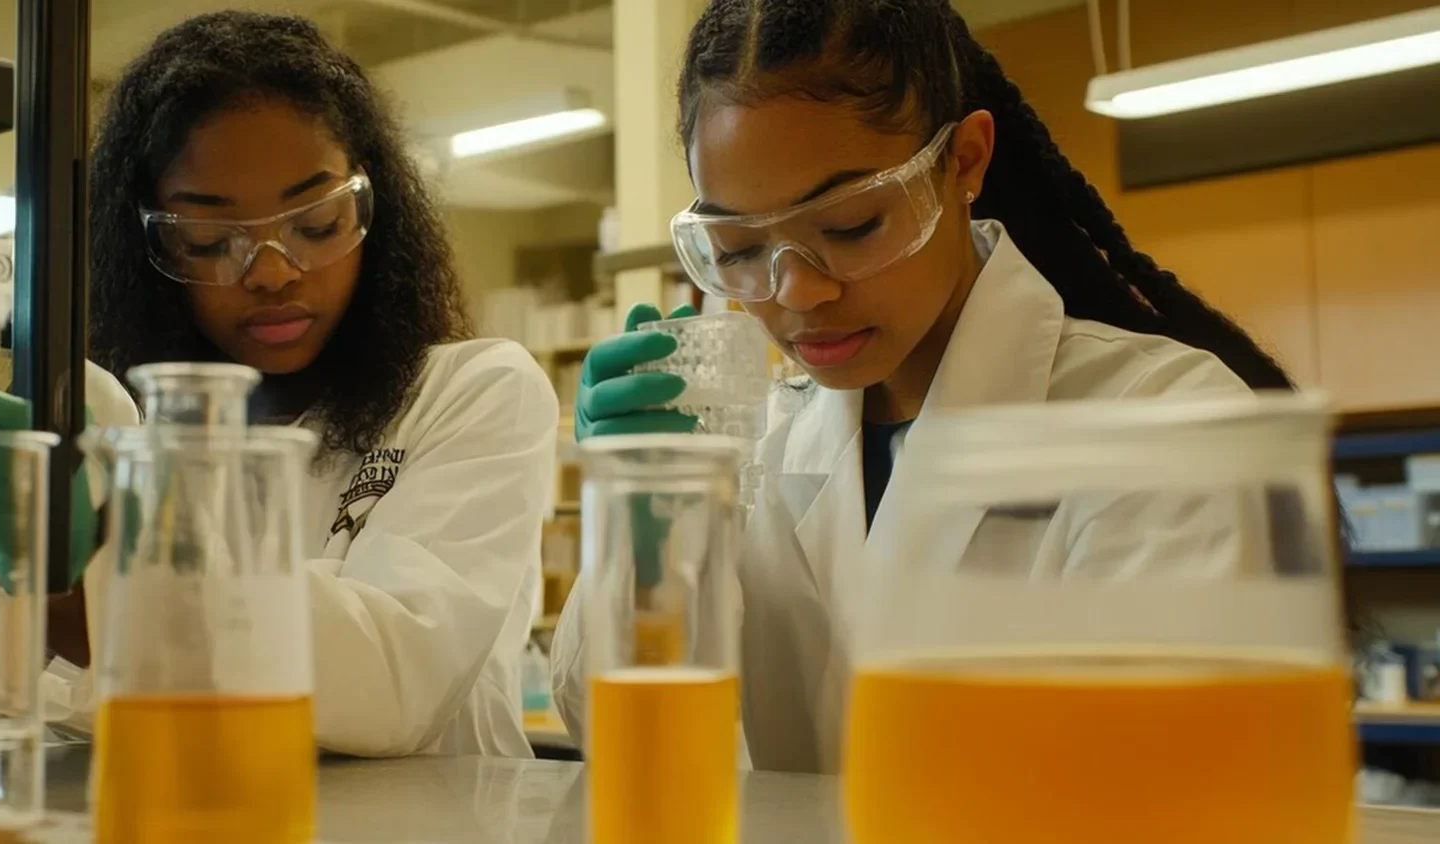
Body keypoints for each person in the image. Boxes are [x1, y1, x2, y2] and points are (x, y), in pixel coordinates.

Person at [551, 0, 1295, 773]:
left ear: (965, 161)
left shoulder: (1167, 425)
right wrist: (643, 522)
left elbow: (1154, 783)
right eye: (739, 248)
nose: (797, 292)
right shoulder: (756, 442)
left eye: (852, 226)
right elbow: (618, 734)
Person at [79, 10, 555, 758]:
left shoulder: (473, 390)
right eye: (209, 240)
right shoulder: (138, 425)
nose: (270, 272)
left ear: (375, 208)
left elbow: (397, 679)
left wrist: (115, 596)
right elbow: (25, 690)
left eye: (317, 224)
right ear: (148, 250)